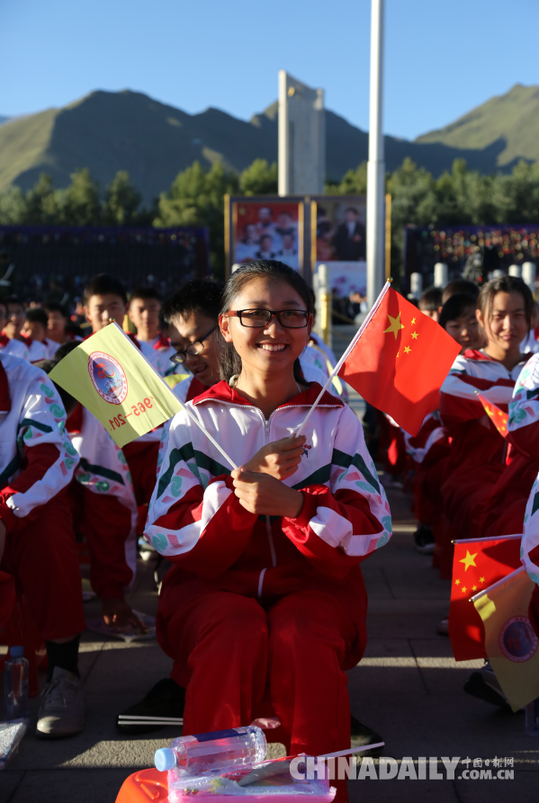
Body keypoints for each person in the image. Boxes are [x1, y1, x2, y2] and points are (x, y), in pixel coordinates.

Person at [145, 260, 392, 800]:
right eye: (255, 314)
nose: (274, 330)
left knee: (302, 635)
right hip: (211, 593)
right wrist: (241, 494)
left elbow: (374, 524)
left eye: (290, 315)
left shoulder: (334, 419)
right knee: (231, 630)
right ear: (226, 325)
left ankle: (321, 793)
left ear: (309, 328)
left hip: (316, 590)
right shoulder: (196, 421)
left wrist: (298, 506)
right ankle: (209, 791)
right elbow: (164, 530)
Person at [0, 351, 86, 737]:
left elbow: (52, 458)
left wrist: (3, 514)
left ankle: (64, 671)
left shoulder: (29, 380)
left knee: (48, 525)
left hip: (15, 506)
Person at [439, 275, 533, 542]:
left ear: (531, 318)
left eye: (518, 315)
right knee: (510, 519)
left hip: (530, 480)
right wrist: (526, 400)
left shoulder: (534, 368)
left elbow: (494, 400)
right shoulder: (460, 368)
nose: (508, 325)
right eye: (499, 315)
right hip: (476, 479)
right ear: (481, 317)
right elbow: (452, 396)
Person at [69, 275, 139, 629]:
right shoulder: (74, 358)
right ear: (85, 312)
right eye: (100, 307)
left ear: (125, 309)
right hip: (94, 458)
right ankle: (112, 596)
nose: (108, 314)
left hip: (140, 453)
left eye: (114, 306)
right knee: (101, 527)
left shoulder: (141, 354)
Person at [127, 287, 176, 377]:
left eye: (152, 309)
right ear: (131, 315)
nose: (146, 316)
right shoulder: (126, 347)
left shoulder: (174, 348)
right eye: (141, 310)